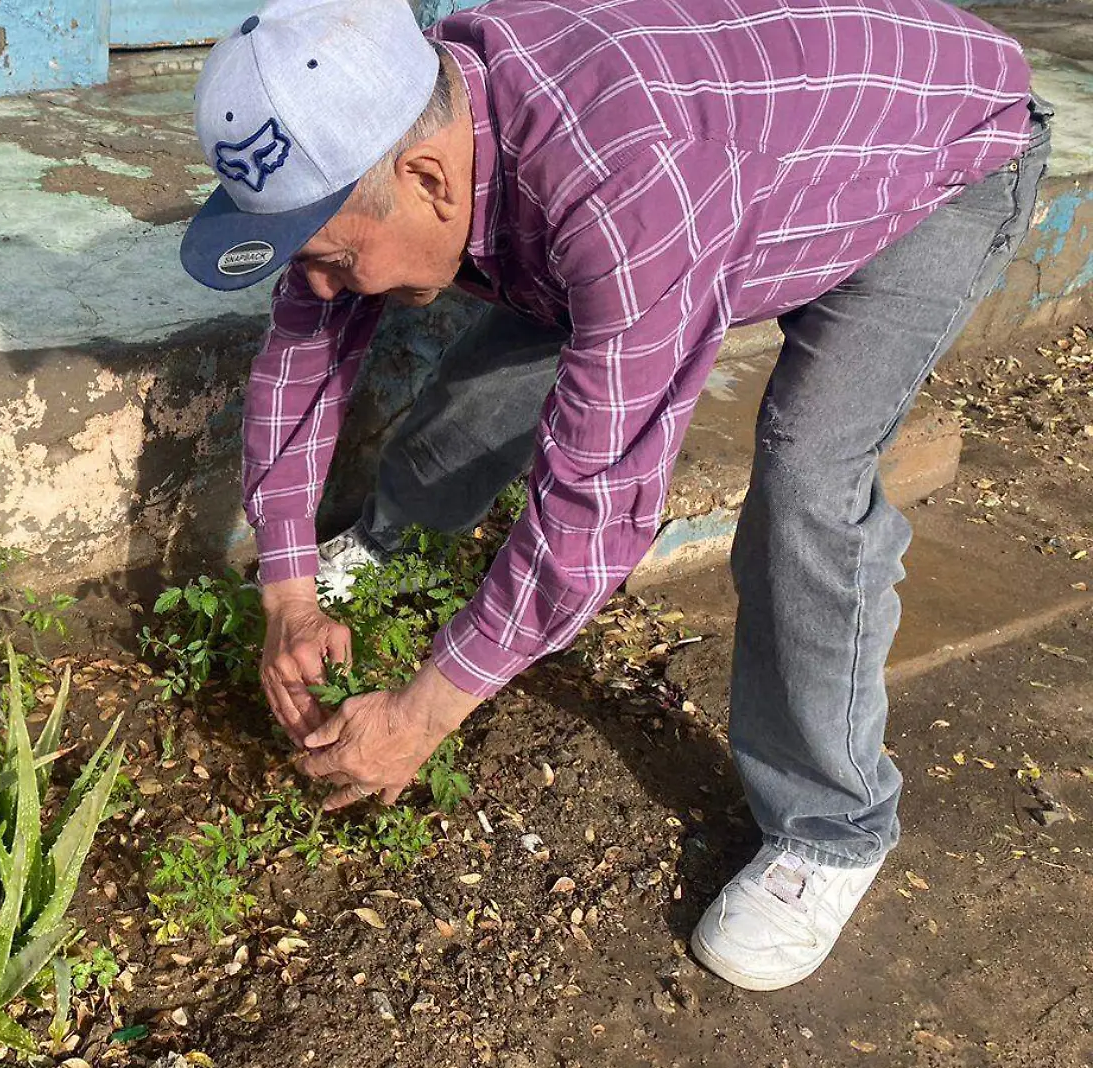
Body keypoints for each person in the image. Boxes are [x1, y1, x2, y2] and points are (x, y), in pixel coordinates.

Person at [178, 0, 1049, 990]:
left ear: (426, 179)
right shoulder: (402, 129)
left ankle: (832, 827)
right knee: (500, 356)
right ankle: (386, 543)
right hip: (744, 161)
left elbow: (595, 506)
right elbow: (302, 351)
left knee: (810, 476)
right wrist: (287, 589)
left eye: (331, 255)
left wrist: (422, 716)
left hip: (930, 153)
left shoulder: (623, 182)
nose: (321, 284)